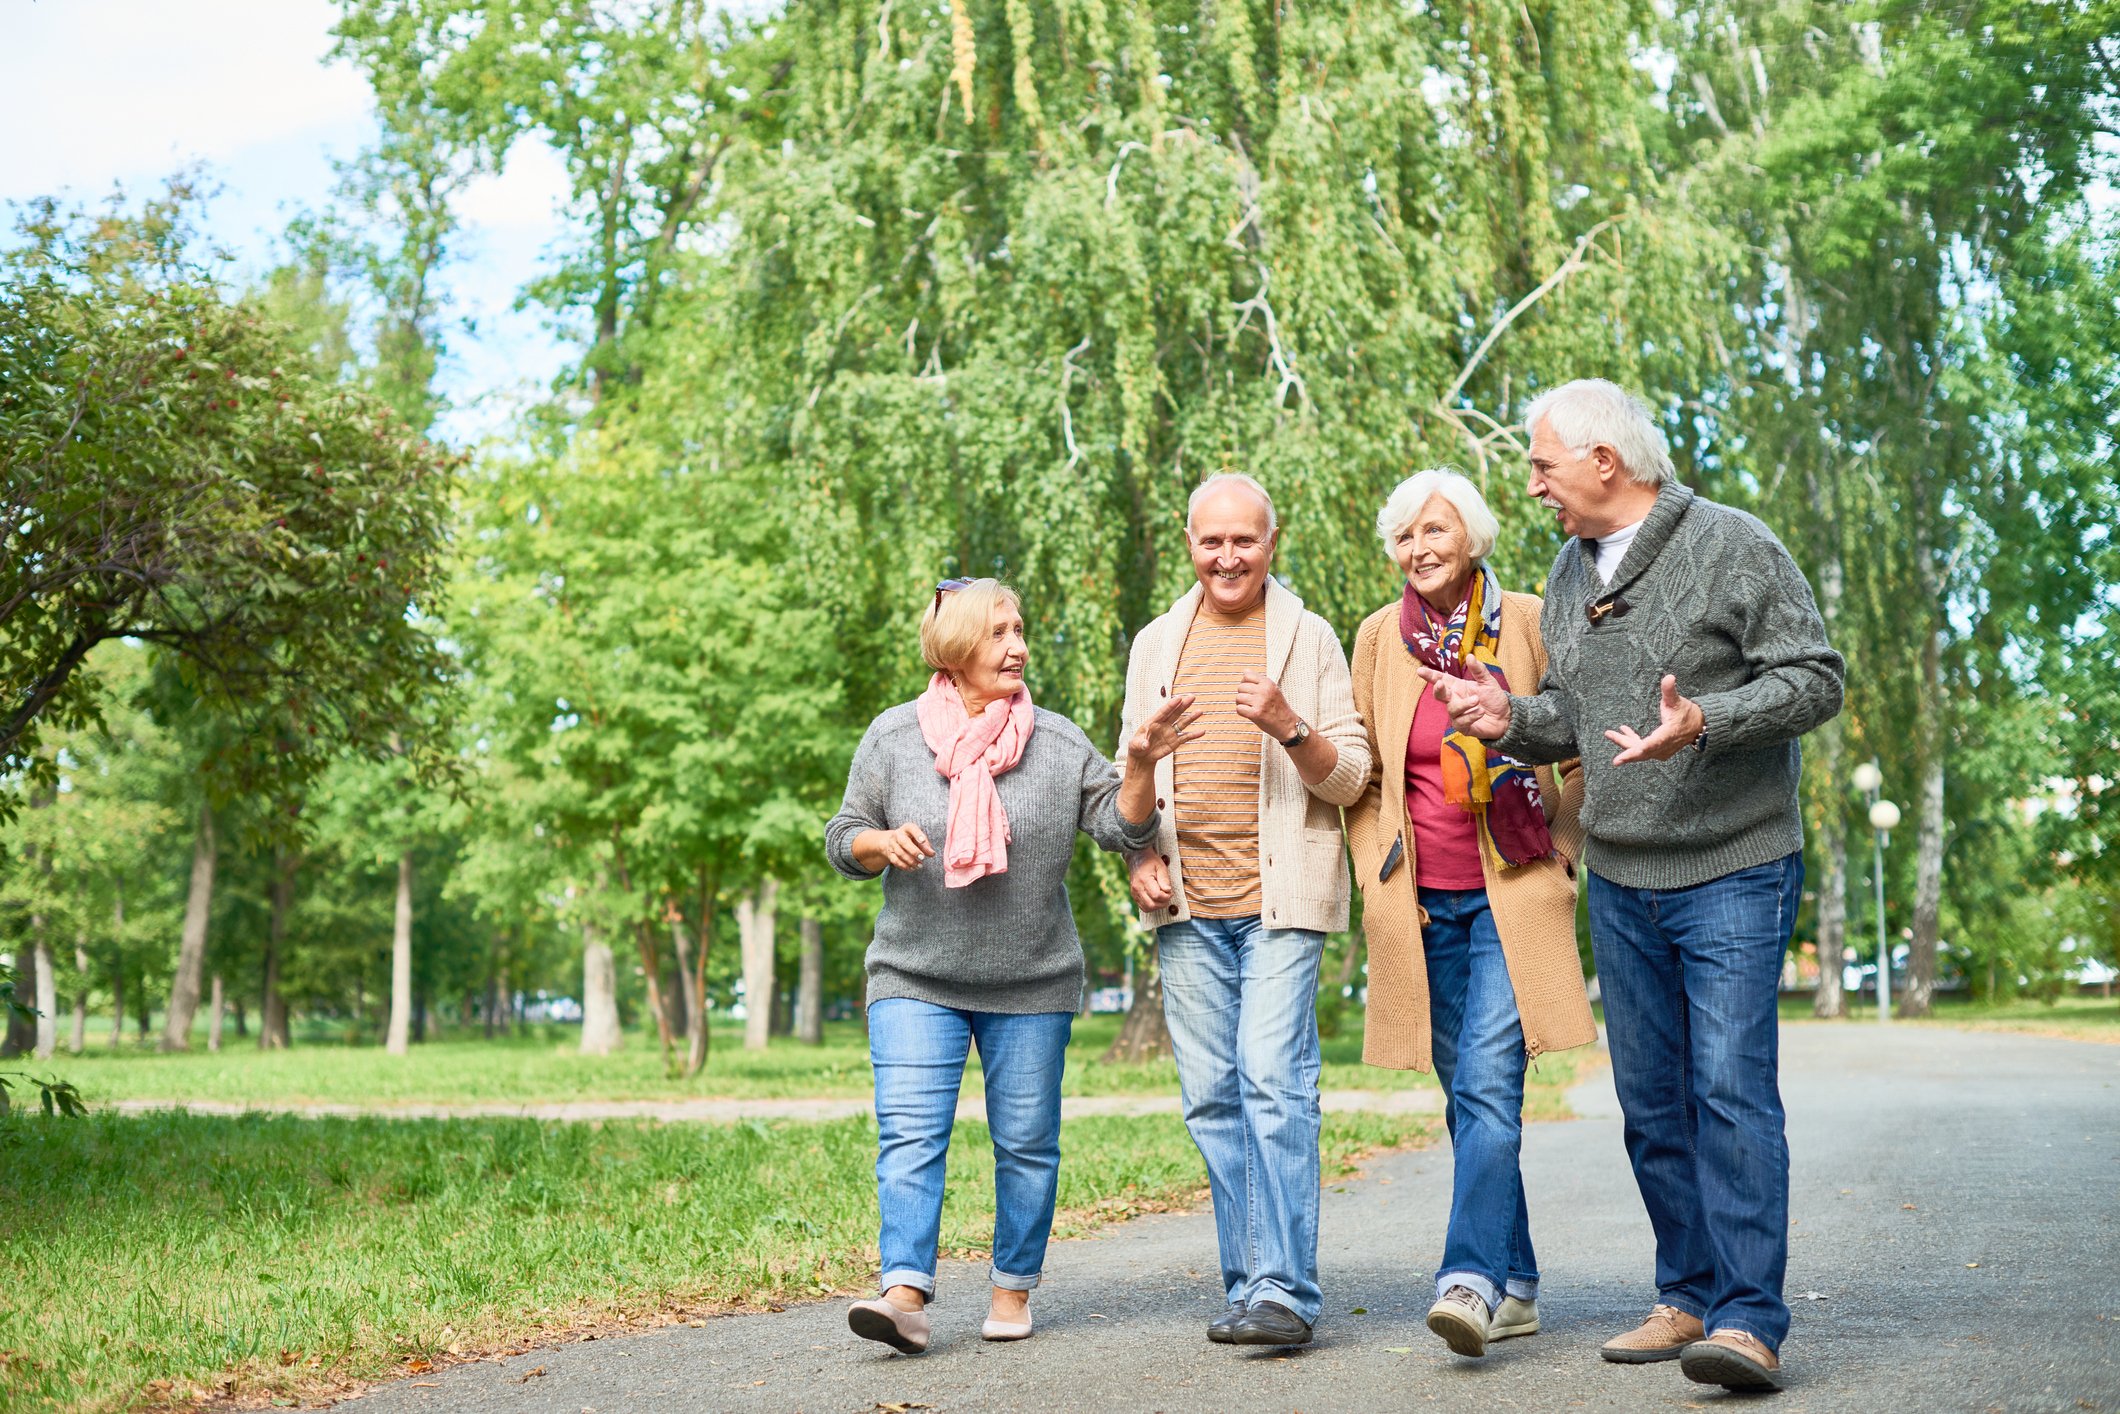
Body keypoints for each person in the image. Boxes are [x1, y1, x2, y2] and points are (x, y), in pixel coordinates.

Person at [1418, 379, 1845, 1391]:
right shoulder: (1568, 570)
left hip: (1731, 865)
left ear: (1602, 462)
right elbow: (1577, 711)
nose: (1530, 486)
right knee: (1651, 1102)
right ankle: (1685, 1292)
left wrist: (1702, 718)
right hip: (1618, 873)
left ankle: (1747, 1318)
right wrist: (1507, 718)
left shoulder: (1731, 544)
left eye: (1540, 464)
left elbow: (1814, 678)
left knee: (1728, 1091)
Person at [825, 577, 1201, 1354]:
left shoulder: (1057, 743)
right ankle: (904, 1295)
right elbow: (843, 835)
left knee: (1026, 1143)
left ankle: (1011, 1288)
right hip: (913, 976)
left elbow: (1122, 830)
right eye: (999, 632)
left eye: (1020, 629)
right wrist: (880, 843)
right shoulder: (894, 737)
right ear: (957, 647)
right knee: (910, 1136)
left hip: (1031, 982)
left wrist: (1136, 764)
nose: (1018, 646)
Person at [1345, 468, 1597, 1359]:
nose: (1419, 548)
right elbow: (1368, 771)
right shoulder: (1380, 638)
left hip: (1510, 891)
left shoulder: (1526, 620)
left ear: (1474, 537)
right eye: (1405, 535)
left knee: (1490, 1085)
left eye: (1435, 530)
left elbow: (1577, 737)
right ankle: (1519, 1278)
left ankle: (1469, 1281)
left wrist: (1562, 847)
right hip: (1420, 904)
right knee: (1467, 1100)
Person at [1117, 473, 1372, 1348]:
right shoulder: (1156, 643)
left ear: (1273, 542)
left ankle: (1287, 1293)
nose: (1227, 557)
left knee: (1272, 1079)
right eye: (1210, 541)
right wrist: (1139, 849)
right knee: (1212, 1100)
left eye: (1245, 541)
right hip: (1186, 904)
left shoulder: (1307, 638)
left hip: (1281, 899)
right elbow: (1130, 789)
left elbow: (1352, 778)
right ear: (1190, 542)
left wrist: (1290, 725)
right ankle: (1250, 1285)